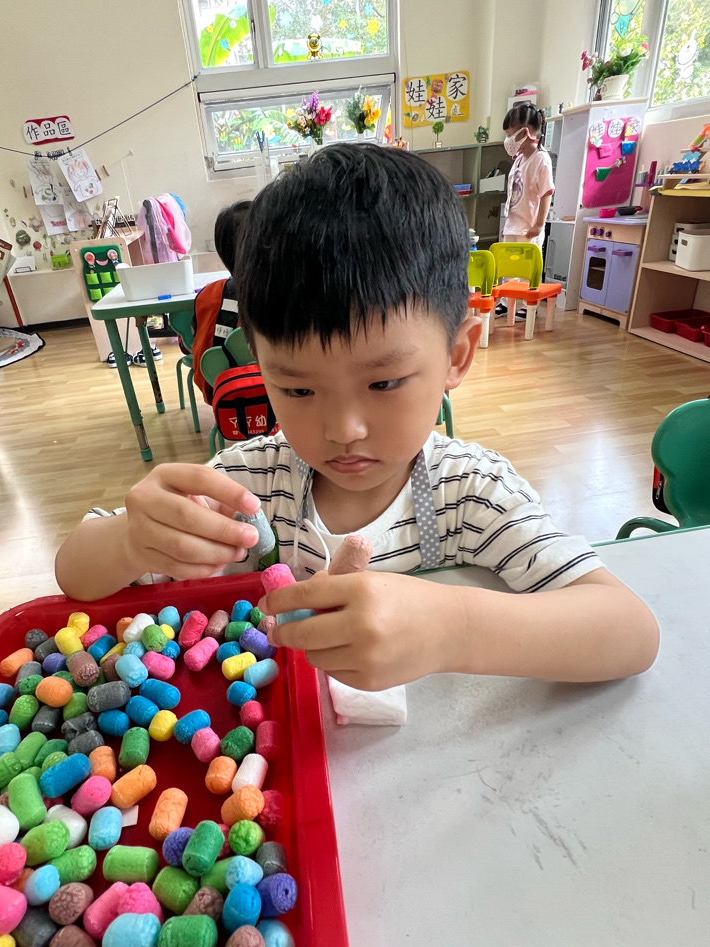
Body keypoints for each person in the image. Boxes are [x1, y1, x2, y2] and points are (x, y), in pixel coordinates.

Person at [56, 144, 659, 692]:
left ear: (456, 356)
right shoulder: (246, 487)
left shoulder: (470, 494)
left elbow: (630, 630)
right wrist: (131, 540)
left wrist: (454, 629)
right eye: (297, 388)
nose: (342, 429)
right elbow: (74, 572)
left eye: (384, 382)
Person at [494, 103, 555, 320]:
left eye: (510, 134)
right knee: (509, 266)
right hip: (513, 223)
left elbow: (546, 193)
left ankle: (528, 305)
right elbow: (513, 192)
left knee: (528, 268)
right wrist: (507, 223)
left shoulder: (541, 159)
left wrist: (539, 224)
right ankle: (506, 301)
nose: (508, 140)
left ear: (524, 133)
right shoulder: (519, 159)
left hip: (529, 227)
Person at [188, 200, 252, 399]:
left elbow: (191, 341)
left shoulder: (207, 295)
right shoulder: (285, 297)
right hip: (277, 395)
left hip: (217, 390)